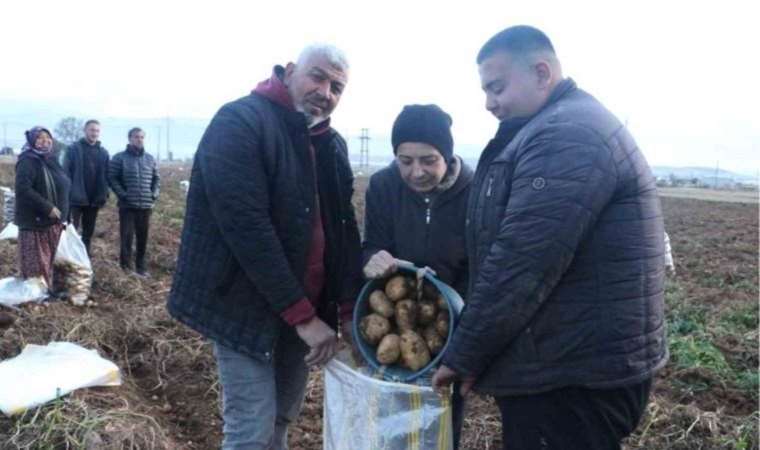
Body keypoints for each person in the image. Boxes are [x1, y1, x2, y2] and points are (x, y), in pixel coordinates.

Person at [432, 25, 668, 450]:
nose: (489, 103)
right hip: (563, 364)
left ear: (542, 72)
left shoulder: (567, 135)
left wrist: (464, 354)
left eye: (497, 87)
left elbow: (521, 262)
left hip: (572, 375)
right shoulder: (553, 126)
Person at [166, 44, 363, 450]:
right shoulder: (240, 122)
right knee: (251, 429)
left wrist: (346, 308)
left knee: (279, 422)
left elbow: (343, 231)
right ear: (290, 71)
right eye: (318, 76)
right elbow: (246, 227)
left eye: (337, 86)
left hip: (304, 311)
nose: (326, 92)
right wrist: (304, 317)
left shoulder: (331, 144)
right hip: (244, 305)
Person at [362, 104, 472, 449]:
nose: (416, 172)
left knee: (441, 423)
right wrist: (371, 260)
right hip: (394, 317)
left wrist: (462, 329)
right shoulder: (382, 186)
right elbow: (371, 247)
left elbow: (482, 265)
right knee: (392, 423)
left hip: (450, 323)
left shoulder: (475, 189)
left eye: (429, 160)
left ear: (448, 155)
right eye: (405, 160)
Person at [14, 127, 71, 294]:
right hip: (35, 222)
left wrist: (66, 215)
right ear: (32, 141)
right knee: (37, 263)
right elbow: (23, 190)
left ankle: (46, 291)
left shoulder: (51, 159)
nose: (44, 141)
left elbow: (64, 186)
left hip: (53, 222)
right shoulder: (28, 160)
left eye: (47, 137)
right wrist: (47, 207)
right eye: (39, 138)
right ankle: (35, 296)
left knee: (49, 261)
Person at [108, 127, 159, 276]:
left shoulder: (150, 159)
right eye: (136, 137)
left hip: (145, 205)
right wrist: (123, 194)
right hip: (127, 206)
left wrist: (154, 194)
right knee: (127, 238)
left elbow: (156, 178)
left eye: (142, 137)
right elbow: (112, 178)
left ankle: (141, 268)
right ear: (129, 138)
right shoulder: (119, 158)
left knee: (143, 238)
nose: (139, 139)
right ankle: (126, 269)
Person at [63, 119, 110, 256]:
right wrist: (67, 193)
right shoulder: (73, 149)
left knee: (88, 234)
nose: (94, 133)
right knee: (71, 231)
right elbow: (66, 172)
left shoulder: (103, 153)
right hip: (76, 199)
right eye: (92, 130)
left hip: (94, 200)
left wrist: (104, 193)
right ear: (85, 131)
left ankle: (84, 259)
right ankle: (68, 258)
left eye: (97, 130)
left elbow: (107, 175)